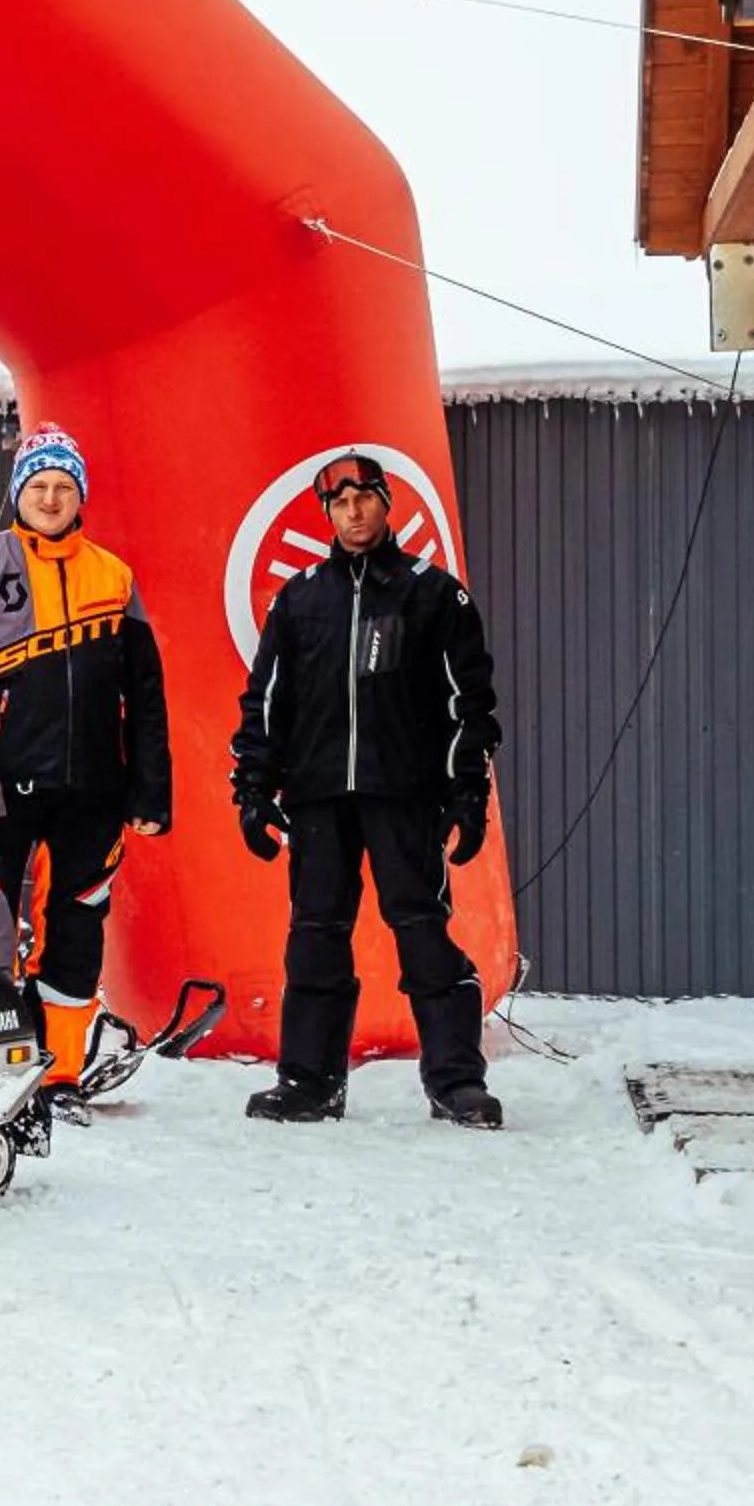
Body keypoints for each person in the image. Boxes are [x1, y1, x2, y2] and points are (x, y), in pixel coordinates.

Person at [230, 450, 503, 1128]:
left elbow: (471, 705)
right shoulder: (301, 598)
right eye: (340, 502)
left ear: (386, 503)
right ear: (328, 512)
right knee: (316, 935)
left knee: (422, 932)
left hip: (404, 794)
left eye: (365, 498)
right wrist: (254, 790)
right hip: (319, 797)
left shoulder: (434, 593)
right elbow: (264, 701)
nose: (353, 512)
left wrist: (468, 796)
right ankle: (309, 1081)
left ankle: (456, 1081)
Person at [0, 423, 172, 1100]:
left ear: (80, 495)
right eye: (39, 486)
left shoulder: (114, 576)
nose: (52, 498)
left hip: (93, 794)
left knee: (78, 928)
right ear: (17, 493)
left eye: (64, 487)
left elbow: (145, 693)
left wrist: (149, 791)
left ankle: (59, 1076)